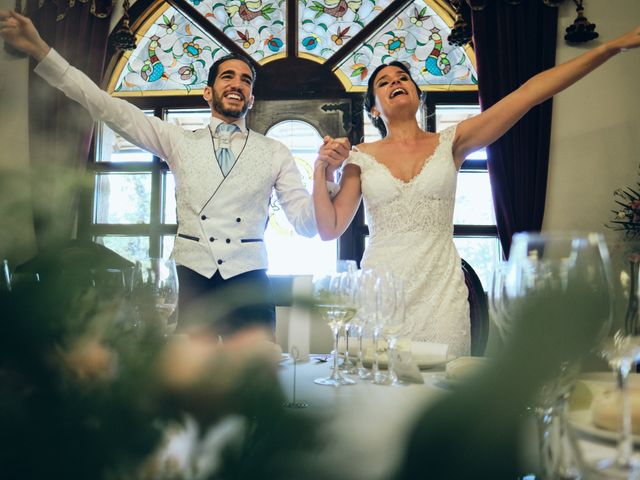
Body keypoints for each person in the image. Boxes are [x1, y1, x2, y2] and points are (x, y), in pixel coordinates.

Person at [0, 10, 342, 336]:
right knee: (186, 383)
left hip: (250, 281)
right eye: (228, 76)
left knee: (257, 377)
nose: (237, 84)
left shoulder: (275, 151)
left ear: (251, 99)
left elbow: (307, 225)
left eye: (246, 80)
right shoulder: (176, 140)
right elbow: (104, 105)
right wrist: (40, 50)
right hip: (190, 277)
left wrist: (325, 174)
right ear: (208, 93)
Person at [313, 26, 640, 356]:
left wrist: (610, 47)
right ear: (373, 109)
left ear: (417, 93)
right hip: (382, 294)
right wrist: (320, 169)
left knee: (446, 395)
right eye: (384, 82)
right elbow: (329, 229)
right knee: (381, 395)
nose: (396, 82)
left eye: (403, 77)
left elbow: (528, 94)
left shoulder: (452, 142)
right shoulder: (359, 157)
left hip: (441, 295)